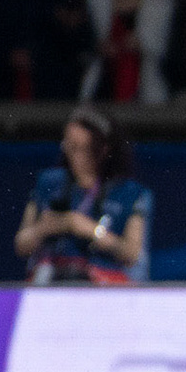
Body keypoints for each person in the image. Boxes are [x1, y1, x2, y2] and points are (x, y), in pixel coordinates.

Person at [12, 107, 153, 284]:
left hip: (104, 279)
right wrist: (44, 228)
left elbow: (131, 254)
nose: (71, 154)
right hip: (51, 274)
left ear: (103, 149)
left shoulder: (131, 193)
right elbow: (21, 245)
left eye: (80, 148)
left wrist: (90, 230)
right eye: (67, 146)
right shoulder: (48, 182)